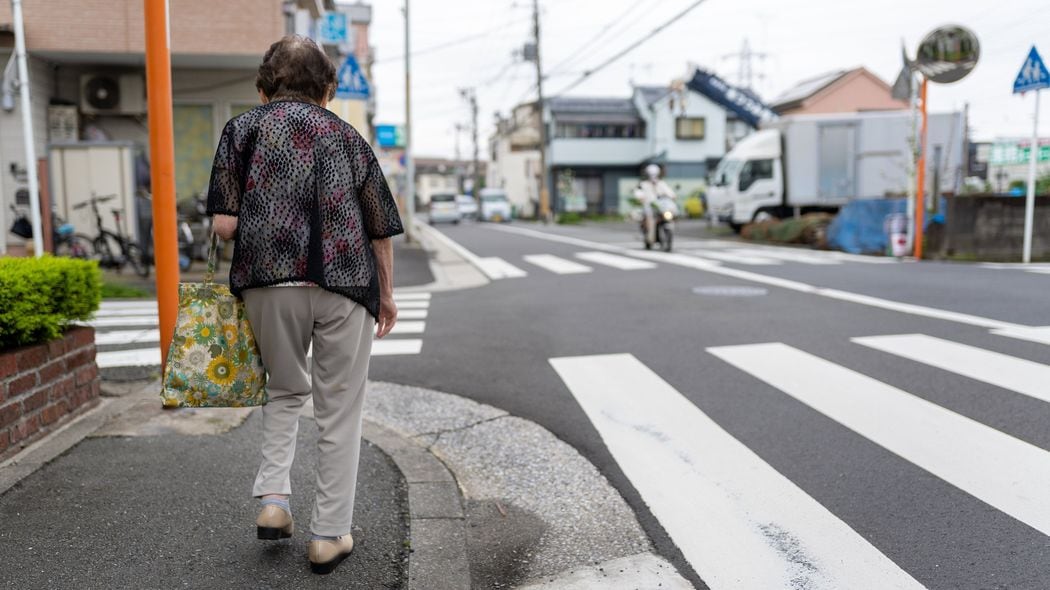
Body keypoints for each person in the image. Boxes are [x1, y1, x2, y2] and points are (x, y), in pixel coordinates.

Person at [206, 35, 403, 576]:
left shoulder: (241, 130)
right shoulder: (350, 138)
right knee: (339, 408)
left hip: (269, 283)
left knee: (284, 390)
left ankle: (274, 500)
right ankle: (329, 535)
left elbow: (224, 225)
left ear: (263, 87)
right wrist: (385, 294)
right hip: (345, 283)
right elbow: (380, 227)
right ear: (330, 89)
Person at [634, 163, 676, 246]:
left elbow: (669, 192)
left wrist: (673, 196)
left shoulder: (661, 184)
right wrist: (640, 198)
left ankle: (664, 235)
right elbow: (638, 193)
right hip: (649, 207)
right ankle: (649, 236)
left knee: (670, 214)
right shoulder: (643, 184)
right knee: (648, 218)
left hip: (661, 208)